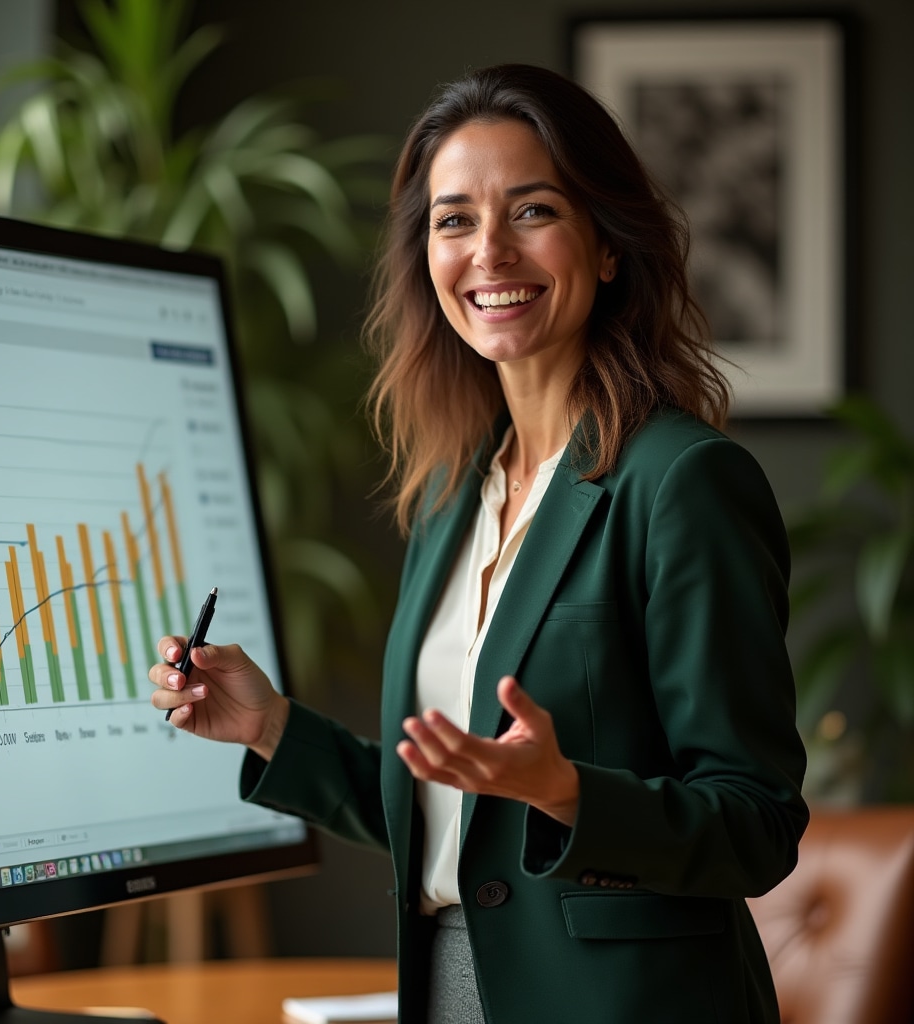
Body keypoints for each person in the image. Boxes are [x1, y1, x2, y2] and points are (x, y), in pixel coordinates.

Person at [150, 64, 808, 1024]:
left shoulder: (684, 481)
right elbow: (452, 815)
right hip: (453, 989)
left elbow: (757, 825)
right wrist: (270, 728)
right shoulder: (452, 494)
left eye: (532, 210)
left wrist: (571, 792)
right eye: (454, 220)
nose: (489, 252)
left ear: (609, 245)